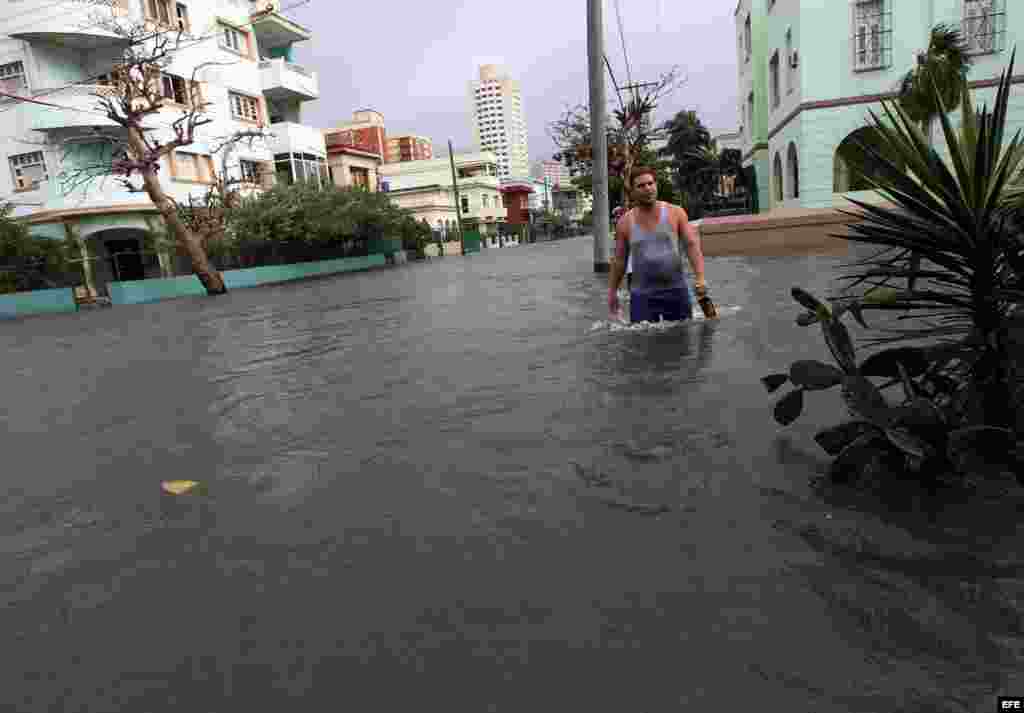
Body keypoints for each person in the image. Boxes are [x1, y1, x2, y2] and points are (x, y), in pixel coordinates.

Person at [608, 167, 709, 323]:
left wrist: (700, 278)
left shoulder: (676, 212)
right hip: (642, 296)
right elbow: (619, 260)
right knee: (644, 342)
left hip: (676, 291)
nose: (647, 188)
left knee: (682, 340)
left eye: (650, 183)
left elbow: (691, 245)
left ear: (656, 185)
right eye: (641, 186)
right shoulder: (625, 222)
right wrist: (612, 292)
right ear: (632, 191)